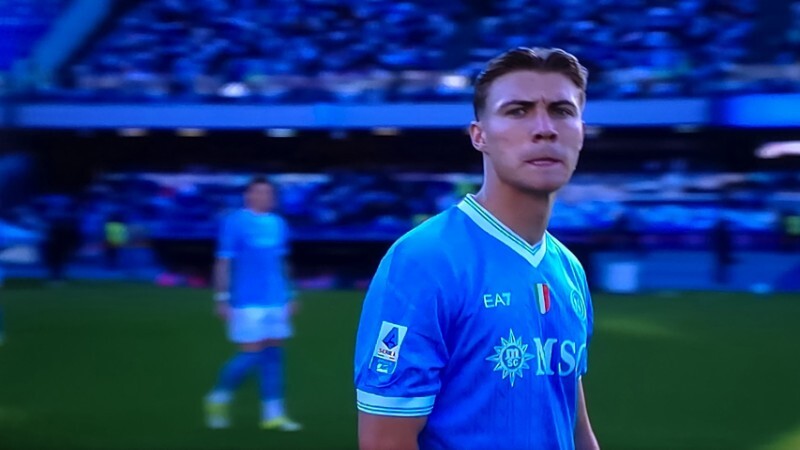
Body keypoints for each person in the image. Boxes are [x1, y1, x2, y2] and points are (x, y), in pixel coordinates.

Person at [354, 47, 599, 450]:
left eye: (561, 111)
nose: (544, 128)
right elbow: (386, 443)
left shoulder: (568, 268)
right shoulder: (424, 261)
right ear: (479, 135)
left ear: (581, 131)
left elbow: (571, 422)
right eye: (518, 111)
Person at [204, 176, 301, 431]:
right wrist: (221, 297)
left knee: (274, 356)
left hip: (276, 299)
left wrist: (290, 293)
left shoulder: (278, 223)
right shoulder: (235, 221)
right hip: (247, 301)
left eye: (268, 193)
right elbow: (223, 262)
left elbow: (282, 261)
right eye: (258, 192)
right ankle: (219, 396)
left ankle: (273, 414)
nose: (264, 197)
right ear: (248, 195)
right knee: (251, 354)